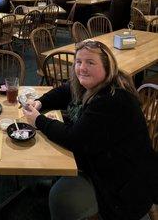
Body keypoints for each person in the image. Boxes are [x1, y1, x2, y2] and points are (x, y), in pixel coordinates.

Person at [23, 40, 158, 220]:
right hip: (104, 161)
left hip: (123, 181)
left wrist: (38, 120)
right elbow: (65, 90)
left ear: (108, 67)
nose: (82, 68)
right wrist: (41, 102)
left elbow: (75, 139)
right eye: (78, 62)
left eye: (90, 62)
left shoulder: (112, 99)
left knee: (60, 197)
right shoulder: (92, 84)